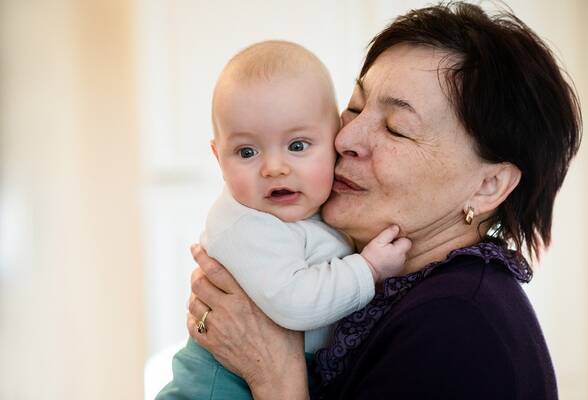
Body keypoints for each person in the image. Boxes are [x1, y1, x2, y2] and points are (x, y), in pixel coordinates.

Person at [185, 3, 582, 399]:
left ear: (488, 185)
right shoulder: (388, 288)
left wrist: (273, 373)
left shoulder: (457, 325)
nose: (345, 139)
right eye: (355, 107)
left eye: (396, 129)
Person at [157, 41, 411, 399]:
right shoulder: (247, 225)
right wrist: (367, 269)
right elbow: (296, 304)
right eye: (247, 151)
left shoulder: (317, 206)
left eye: (297, 146)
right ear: (218, 157)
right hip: (217, 387)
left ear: (334, 138)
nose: (274, 168)